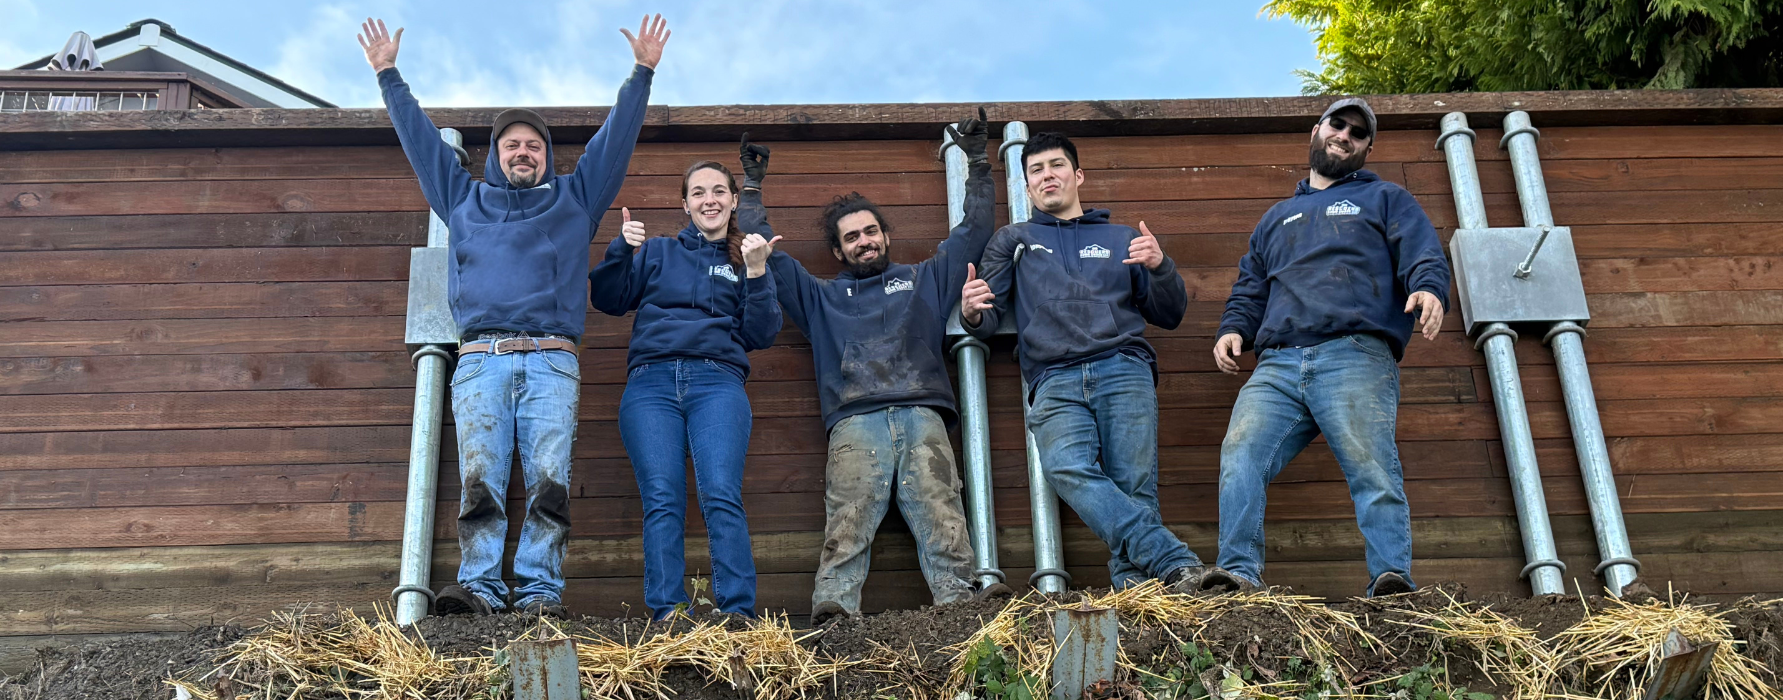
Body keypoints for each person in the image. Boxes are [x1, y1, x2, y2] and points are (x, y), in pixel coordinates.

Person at [356, 15, 669, 617]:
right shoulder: (462, 198)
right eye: (511, 145)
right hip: (480, 363)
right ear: (495, 156)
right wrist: (388, 74)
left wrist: (642, 74)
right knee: (482, 483)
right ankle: (479, 586)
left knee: (550, 480)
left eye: (532, 145)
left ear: (546, 155)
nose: (522, 152)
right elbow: (421, 141)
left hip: (553, 359)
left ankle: (540, 592)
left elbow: (616, 139)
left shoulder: (575, 197)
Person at [747, 111, 1012, 626]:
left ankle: (960, 615)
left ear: (885, 235)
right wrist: (751, 190)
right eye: (852, 237)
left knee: (943, 515)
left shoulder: (925, 279)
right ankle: (834, 620)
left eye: (871, 231)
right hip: (854, 420)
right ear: (837, 250)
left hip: (923, 415)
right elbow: (771, 256)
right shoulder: (821, 298)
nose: (863, 240)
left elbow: (974, 230)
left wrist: (979, 164)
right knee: (846, 522)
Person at [963, 132, 1240, 593]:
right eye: (1036, 170)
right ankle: (1176, 563)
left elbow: (1169, 314)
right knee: (1066, 467)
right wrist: (973, 312)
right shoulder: (1013, 240)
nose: (1047, 175)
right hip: (1052, 377)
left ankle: (1139, 599)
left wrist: (1160, 267)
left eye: (1056, 166)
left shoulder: (1123, 238)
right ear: (1028, 186)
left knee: (1135, 489)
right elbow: (988, 321)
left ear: (1078, 175)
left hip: (1123, 367)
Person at [1212, 97, 1451, 597]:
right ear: (1316, 130)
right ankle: (1237, 576)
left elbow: (1422, 251)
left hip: (1354, 353)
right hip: (1275, 364)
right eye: (1337, 125)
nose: (1345, 135)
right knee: (1240, 455)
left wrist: (1428, 287)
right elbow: (1251, 287)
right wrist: (1234, 328)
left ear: (1365, 148)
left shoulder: (1386, 198)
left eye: (1357, 133)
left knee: (1372, 466)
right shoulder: (1275, 218)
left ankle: (1390, 581)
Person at [589, 151, 782, 620]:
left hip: (717, 382)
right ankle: (669, 616)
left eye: (719, 191)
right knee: (662, 497)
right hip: (650, 384)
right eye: (698, 192)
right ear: (685, 204)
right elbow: (609, 299)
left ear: (735, 201)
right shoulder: (657, 251)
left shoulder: (746, 259)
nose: (709, 200)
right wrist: (620, 249)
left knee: (720, 493)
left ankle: (737, 614)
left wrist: (757, 273)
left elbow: (762, 334)